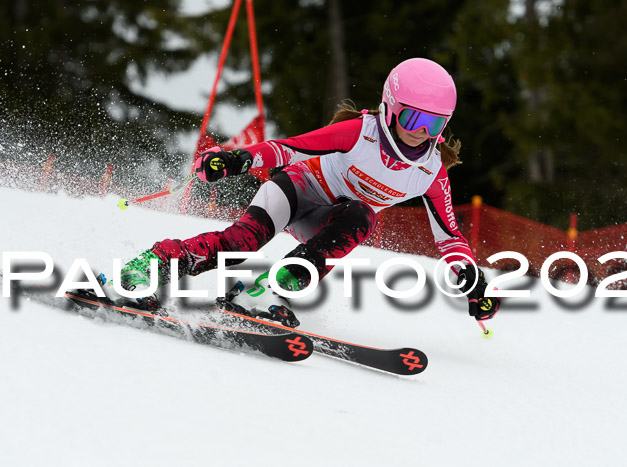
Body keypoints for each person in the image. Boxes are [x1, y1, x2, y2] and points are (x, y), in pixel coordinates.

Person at [100, 57, 500, 324]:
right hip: (296, 191)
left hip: (331, 219)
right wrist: (239, 159)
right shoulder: (360, 132)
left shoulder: (431, 171)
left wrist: (471, 282)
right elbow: (288, 148)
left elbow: (449, 237)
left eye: (434, 125)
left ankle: (266, 293)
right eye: (414, 118)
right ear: (391, 107)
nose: (420, 133)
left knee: (362, 218)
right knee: (239, 243)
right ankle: (152, 266)